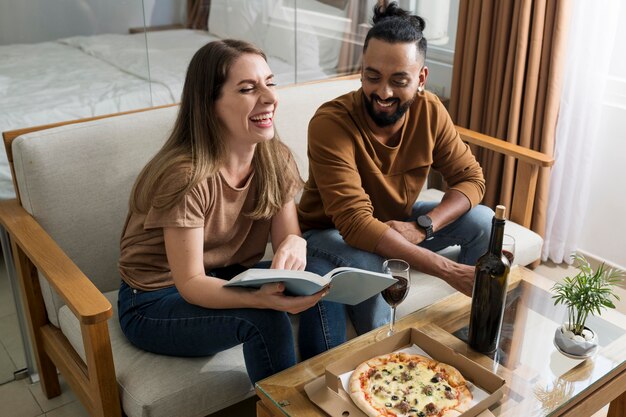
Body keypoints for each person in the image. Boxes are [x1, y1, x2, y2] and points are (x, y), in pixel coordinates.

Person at [117, 39, 335, 385]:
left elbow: (288, 238)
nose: (269, 97)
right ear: (210, 105)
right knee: (263, 318)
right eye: (248, 89)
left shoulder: (273, 158)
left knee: (323, 277)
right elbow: (189, 283)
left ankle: (325, 387)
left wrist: (297, 244)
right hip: (154, 300)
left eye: (270, 83)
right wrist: (261, 300)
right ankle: (287, 408)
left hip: (226, 277)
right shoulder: (185, 178)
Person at [297, 2, 493, 335]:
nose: (383, 92)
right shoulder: (331, 122)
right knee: (371, 263)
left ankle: (463, 332)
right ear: (361, 70)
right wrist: (447, 269)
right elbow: (356, 225)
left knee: (483, 220)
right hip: (328, 232)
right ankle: (380, 355)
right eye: (372, 77)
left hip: (398, 221)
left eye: (399, 80)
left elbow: (471, 179)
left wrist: (424, 226)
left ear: (421, 79)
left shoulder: (430, 111)